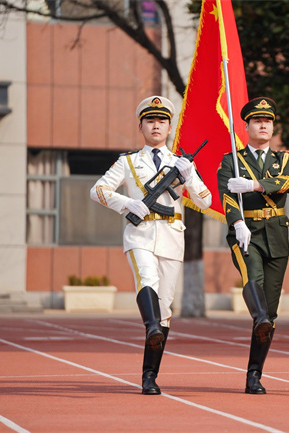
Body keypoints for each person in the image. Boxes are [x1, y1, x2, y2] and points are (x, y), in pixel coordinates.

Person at [90, 96, 212, 395]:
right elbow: (97, 190)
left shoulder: (181, 163)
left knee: (165, 307)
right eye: (150, 121)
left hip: (172, 235)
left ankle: (149, 375)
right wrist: (126, 203)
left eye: (162, 121)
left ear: (170, 128)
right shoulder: (128, 161)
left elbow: (206, 201)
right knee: (147, 279)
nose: (156, 126)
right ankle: (151, 327)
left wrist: (190, 177)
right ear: (140, 126)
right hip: (140, 234)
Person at [217, 97, 289, 394]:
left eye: (268, 121)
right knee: (253, 279)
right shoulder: (232, 160)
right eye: (257, 121)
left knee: (271, 312)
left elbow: (287, 182)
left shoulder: (284, 159)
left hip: (276, 235)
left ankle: (254, 374)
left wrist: (255, 185)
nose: (263, 125)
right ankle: (259, 317)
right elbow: (226, 194)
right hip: (246, 233)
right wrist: (237, 222)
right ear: (247, 126)